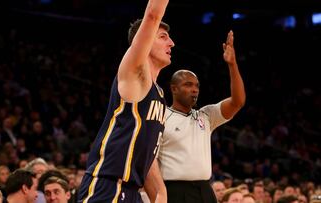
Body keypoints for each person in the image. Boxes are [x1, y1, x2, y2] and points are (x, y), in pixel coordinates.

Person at [77, 0, 174, 201]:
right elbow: (153, 15)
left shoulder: (160, 95)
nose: (171, 43)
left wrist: (161, 193)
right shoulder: (135, 73)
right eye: (163, 37)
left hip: (131, 191)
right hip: (107, 184)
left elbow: (146, 151)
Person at [157, 30, 246, 203]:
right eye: (188, 85)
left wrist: (232, 64)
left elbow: (238, 101)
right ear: (174, 88)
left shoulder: (206, 115)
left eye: (196, 85)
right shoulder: (161, 116)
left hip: (205, 189)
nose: (194, 89)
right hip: (174, 190)